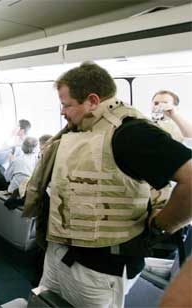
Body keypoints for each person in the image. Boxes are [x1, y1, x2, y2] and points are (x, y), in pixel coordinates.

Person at [23, 62, 192, 307]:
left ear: (92, 100)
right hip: (60, 252)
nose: (62, 111)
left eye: (66, 104)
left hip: (99, 270)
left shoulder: (131, 133)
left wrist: (162, 225)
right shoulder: (83, 129)